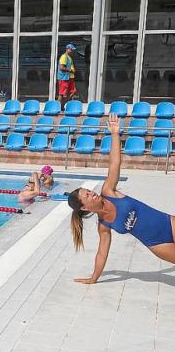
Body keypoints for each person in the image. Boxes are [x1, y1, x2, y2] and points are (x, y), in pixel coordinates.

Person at [68, 114, 175, 284]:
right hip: (157, 244)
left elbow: (114, 164)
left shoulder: (108, 191)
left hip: (167, 222)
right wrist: (94, 278)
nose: (91, 193)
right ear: (84, 207)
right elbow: (102, 252)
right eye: (87, 195)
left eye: (88, 191)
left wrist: (115, 134)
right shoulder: (104, 226)